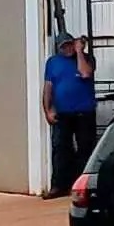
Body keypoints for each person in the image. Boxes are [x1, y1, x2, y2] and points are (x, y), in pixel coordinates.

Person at [43, 32, 97, 198]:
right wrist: (48, 109)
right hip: (62, 112)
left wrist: (80, 52)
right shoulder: (52, 62)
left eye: (69, 45)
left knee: (85, 149)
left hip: (84, 111)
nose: (67, 49)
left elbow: (85, 73)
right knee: (60, 148)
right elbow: (48, 87)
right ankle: (59, 185)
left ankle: (82, 186)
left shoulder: (87, 59)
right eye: (63, 46)